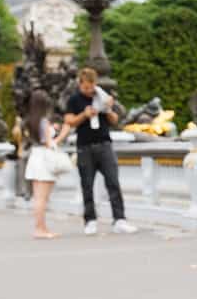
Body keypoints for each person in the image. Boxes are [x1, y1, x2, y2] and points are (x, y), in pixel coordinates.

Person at [61, 67, 136, 235]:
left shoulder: (101, 97)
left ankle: (119, 219)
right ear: (80, 84)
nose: (89, 91)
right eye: (86, 87)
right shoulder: (74, 100)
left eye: (91, 86)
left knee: (113, 182)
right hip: (85, 147)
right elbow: (69, 121)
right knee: (87, 185)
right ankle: (90, 220)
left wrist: (107, 109)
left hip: (104, 145)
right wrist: (84, 115)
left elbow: (115, 120)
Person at [22, 92, 68, 239]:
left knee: (38, 197)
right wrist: (63, 133)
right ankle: (40, 229)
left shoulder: (29, 120)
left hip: (35, 156)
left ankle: (41, 227)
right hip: (44, 158)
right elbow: (49, 144)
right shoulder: (43, 121)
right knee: (42, 198)